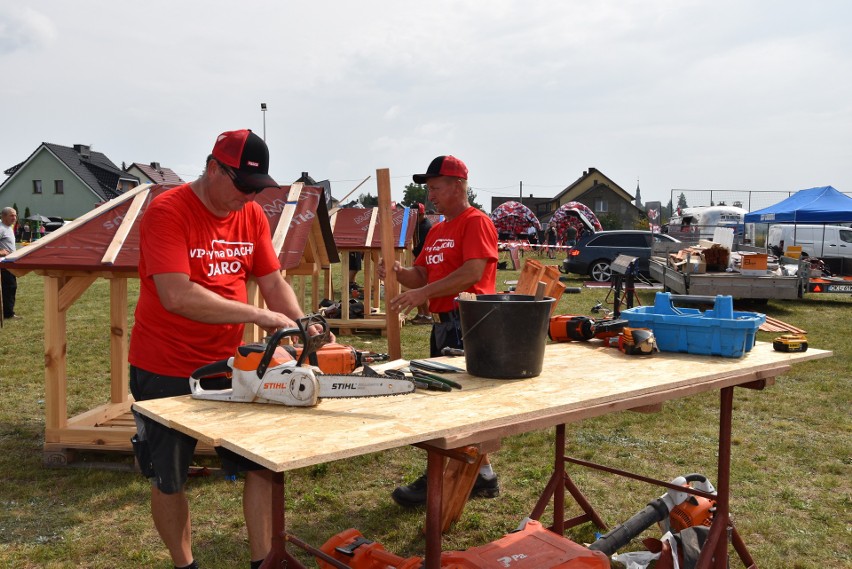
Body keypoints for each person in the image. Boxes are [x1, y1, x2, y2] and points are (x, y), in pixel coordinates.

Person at [128, 129, 328, 569]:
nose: (248, 197)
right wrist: (257, 316)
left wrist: (300, 324)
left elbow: (272, 280)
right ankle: (186, 565)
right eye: (242, 186)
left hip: (231, 363)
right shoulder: (168, 211)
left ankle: (264, 561)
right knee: (170, 478)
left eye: (256, 189)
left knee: (261, 464)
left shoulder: (251, 215)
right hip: (165, 365)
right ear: (214, 167)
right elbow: (176, 294)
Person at [378, 155, 500, 507]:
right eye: (427, 188)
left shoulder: (475, 222)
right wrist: (401, 274)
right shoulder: (437, 229)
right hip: (445, 326)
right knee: (450, 403)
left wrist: (423, 293)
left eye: (435, 187)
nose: (429, 194)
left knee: (456, 406)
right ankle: (482, 475)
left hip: (470, 323)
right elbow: (422, 274)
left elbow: (473, 272)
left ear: (458, 185)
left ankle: (441, 476)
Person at [410, 203, 434, 325]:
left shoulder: (425, 226)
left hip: (423, 260)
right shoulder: (418, 224)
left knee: (421, 287)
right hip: (418, 259)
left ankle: (428, 315)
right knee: (415, 286)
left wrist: (412, 253)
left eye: (416, 215)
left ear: (421, 214)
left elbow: (422, 246)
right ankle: (421, 313)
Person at [1, 207, 20, 320]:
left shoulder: (8, 227)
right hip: (3, 264)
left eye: (15, 215)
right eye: (11, 215)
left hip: (10, 263)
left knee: (9, 287)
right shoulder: (1, 228)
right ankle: (8, 314)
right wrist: (0, 252)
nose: (14, 218)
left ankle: (6, 312)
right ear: (3, 216)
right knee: (9, 287)